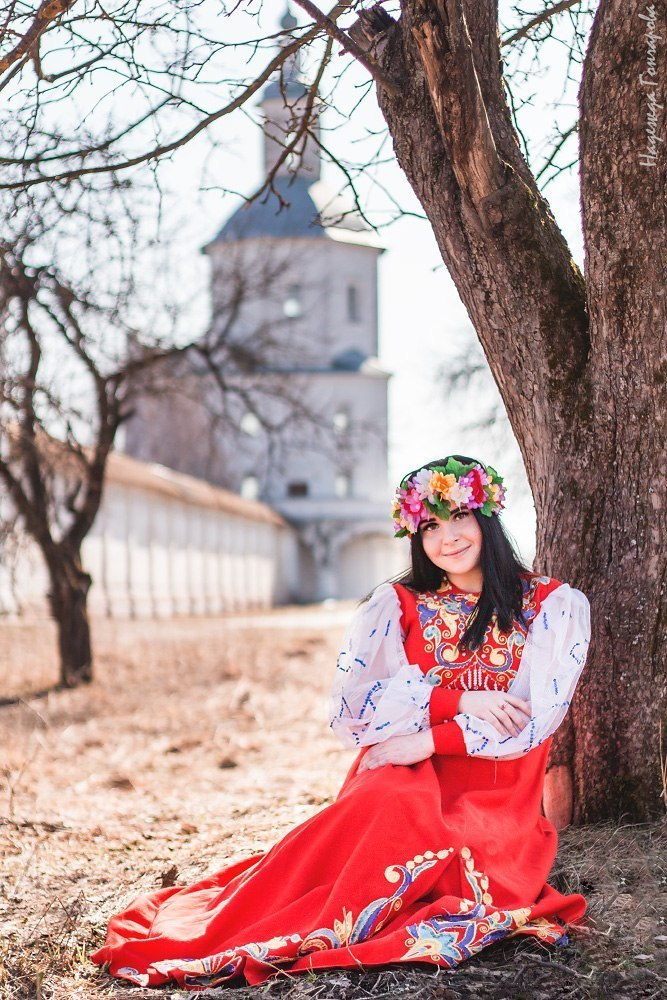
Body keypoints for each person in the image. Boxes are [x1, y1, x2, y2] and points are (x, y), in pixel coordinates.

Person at [90, 454, 591, 991]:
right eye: (429, 526)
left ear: (487, 518)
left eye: (459, 517)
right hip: (406, 768)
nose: (447, 538)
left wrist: (426, 737)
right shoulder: (397, 606)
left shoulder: (548, 606)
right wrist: (457, 703)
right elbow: (358, 707)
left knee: (404, 818)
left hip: (493, 792)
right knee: (386, 803)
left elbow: (528, 722)